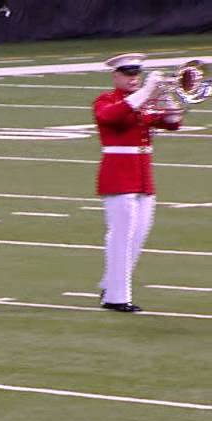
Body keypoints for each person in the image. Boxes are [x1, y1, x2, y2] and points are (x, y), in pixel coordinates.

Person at [94, 53, 181, 313]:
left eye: (137, 74)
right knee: (121, 237)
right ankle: (116, 297)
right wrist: (147, 90)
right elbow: (113, 117)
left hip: (143, 178)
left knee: (137, 237)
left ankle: (111, 285)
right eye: (128, 74)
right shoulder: (106, 100)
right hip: (118, 176)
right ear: (116, 76)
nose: (134, 78)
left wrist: (164, 93)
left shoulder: (143, 102)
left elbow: (174, 121)